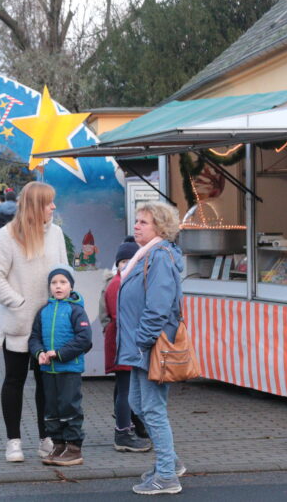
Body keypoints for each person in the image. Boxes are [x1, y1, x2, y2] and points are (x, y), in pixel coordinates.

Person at [0, 180, 67, 463]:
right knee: (15, 381)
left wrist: (64, 303)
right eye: (49, 202)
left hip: (50, 325)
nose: (54, 207)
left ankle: (47, 438)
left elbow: (64, 272)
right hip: (18, 324)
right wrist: (18, 303)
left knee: (47, 384)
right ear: (35, 206)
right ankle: (13, 441)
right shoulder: (7, 236)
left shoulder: (55, 233)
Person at [116, 201, 186, 495]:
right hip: (140, 348)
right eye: (137, 221)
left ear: (159, 227)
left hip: (150, 347)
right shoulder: (148, 254)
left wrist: (142, 340)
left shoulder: (159, 257)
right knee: (136, 404)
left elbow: (158, 307)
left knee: (152, 409)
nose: (136, 226)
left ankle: (168, 476)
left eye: (143, 222)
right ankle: (169, 461)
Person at [28, 264, 92, 466]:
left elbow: (84, 339)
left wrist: (60, 354)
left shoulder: (76, 311)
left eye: (63, 282)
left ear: (70, 286)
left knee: (69, 407)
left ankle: (73, 447)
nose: (58, 286)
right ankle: (58, 444)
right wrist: (39, 353)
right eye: (54, 283)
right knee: (51, 409)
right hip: (48, 370)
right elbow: (34, 337)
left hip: (69, 368)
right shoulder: (43, 311)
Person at [101, 239, 151, 452]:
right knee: (126, 390)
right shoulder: (119, 285)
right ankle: (123, 433)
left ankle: (126, 427)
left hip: (123, 342)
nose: (126, 264)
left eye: (131, 260)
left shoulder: (123, 282)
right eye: (123, 261)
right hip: (124, 343)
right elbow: (123, 316)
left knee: (123, 388)